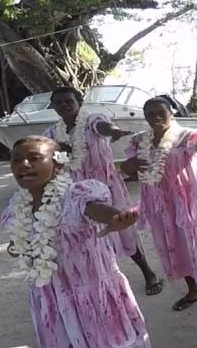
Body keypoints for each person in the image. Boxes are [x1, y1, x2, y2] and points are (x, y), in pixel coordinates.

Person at [2, 136, 187, 348]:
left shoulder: (76, 195)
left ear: (57, 161)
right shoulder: (16, 207)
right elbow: (19, 244)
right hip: (53, 299)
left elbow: (99, 211)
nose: (24, 165)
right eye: (17, 160)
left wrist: (116, 218)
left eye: (34, 158)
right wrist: (17, 246)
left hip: (97, 296)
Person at [44, 87, 163, 296]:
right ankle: (105, 280)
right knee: (91, 237)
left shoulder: (92, 121)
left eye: (68, 101)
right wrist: (59, 152)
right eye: (59, 102)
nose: (64, 105)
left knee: (124, 229)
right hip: (78, 194)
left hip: (107, 188)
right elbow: (57, 163)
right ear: (53, 107)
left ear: (79, 103)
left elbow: (103, 127)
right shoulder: (52, 134)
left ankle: (148, 272)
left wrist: (113, 131)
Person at [122, 97, 197, 317]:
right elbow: (128, 168)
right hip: (158, 204)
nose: (156, 117)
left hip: (188, 204)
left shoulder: (188, 136)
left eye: (161, 112)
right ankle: (193, 290)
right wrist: (130, 165)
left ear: (171, 112)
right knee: (173, 247)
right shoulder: (139, 140)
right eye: (150, 114)